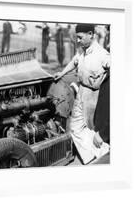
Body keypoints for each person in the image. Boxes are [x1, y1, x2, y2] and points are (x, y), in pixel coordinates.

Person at [54, 23, 111, 164]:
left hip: (94, 96)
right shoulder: (82, 51)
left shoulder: (102, 55)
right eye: (77, 38)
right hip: (81, 93)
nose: (77, 41)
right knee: (75, 127)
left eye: (80, 37)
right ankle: (91, 157)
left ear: (90, 34)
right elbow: (74, 62)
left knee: (91, 129)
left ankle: (104, 155)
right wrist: (62, 73)